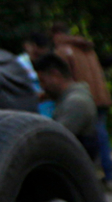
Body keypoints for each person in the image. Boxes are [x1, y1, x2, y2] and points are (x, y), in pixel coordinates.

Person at [34, 53, 107, 182]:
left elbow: (56, 141)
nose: (42, 87)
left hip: (77, 176)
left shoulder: (75, 102)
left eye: (43, 81)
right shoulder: (69, 99)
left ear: (55, 75)